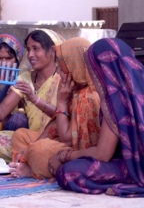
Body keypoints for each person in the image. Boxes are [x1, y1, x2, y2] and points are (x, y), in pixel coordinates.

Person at [53, 38, 144, 197]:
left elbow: (103, 153)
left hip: (135, 167)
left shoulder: (116, 99)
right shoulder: (137, 85)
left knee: (68, 172)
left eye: (93, 68)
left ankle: (123, 182)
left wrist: (66, 156)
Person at [9, 37, 101, 179]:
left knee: (40, 150)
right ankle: (27, 163)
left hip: (80, 152)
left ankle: (32, 171)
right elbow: (53, 126)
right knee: (20, 136)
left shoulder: (89, 97)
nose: (59, 73)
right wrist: (30, 148)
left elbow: (67, 139)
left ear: (74, 67)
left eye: (63, 68)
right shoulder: (75, 91)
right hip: (64, 142)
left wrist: (62, 103)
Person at [0, 29, 65, 162]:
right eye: (29, 49)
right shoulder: (24, 79)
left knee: (48, 149)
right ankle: (28, 157)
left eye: (36, 48)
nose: (31, 55)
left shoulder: (63, 78)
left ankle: (27, 158)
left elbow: (63, 116)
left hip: (57, 138)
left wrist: (34, 99)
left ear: (52, 51)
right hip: (31, 137)